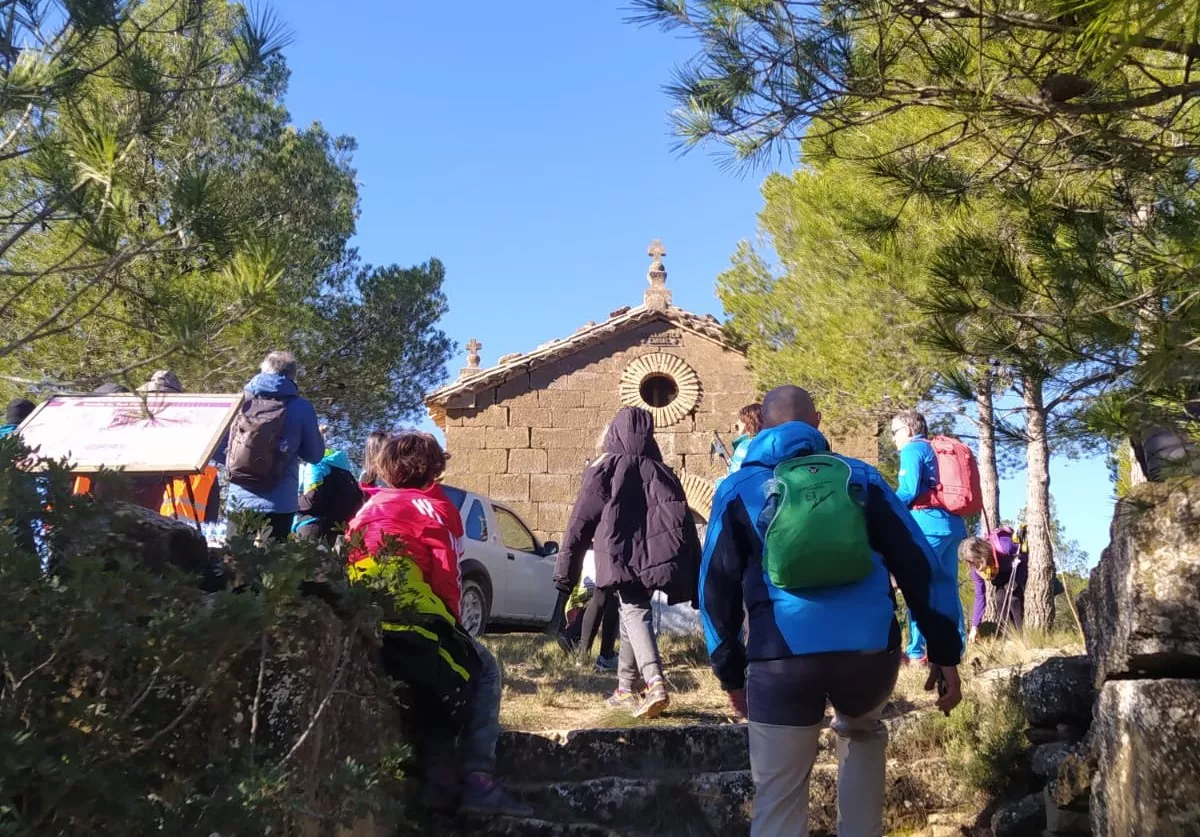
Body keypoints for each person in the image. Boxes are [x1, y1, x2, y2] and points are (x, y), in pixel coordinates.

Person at [700, 386, 963, 837]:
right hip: (868, 653)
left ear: (760, 427)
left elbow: (714, 589)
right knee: (861, 733)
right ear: (817, 422)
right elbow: (920, 566)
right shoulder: (862, 477)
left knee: (778, 796)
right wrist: (943, 652)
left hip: (780, 657)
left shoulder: (736, 489)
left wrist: (730, 673)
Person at [344, 432, 531, 817]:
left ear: (385, 469)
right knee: (482, 670)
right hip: (416, 617)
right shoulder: (436, 509)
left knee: (431, 681)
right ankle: (478, 779)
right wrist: (456, 631)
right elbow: (447, 578)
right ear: (434, 471)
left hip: (365, 618)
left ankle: (438, 782)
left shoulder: (365, 509)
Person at [554, 406, 702, 719]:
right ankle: (625, 688)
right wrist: (693, 568)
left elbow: (581, 520)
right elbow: (684, 522)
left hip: (620, 553)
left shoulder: (605, 466)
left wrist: (566, 571)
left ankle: (654, 682)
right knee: (632, 612)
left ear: (615, 432)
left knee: (633, 611)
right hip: (658, 557)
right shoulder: (663, 471)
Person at [891, 409, 968, 663]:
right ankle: (955, 649)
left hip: (926, 526)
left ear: (908, 430)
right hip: (952, 525)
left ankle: (916, 651)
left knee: (919, 586)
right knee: (947, 588)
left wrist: (883, 505)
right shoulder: (934, 449)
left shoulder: (912, 449)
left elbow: (908, 490)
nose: (893, 438)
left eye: (895, 432)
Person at [224, 351, 323, 542]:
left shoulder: (239, 402)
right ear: (292, 375)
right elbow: (314, 455)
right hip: (280, 500)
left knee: (234, 557)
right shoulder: (302, 407)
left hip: (240, 496)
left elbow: (219, 449)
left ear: (263, 369)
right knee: (274, 559)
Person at [962, 526, 1027, 642]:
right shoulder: (976, 569)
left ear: (981, 551)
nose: (975, 564)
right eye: (971, 562)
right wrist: (975, 626)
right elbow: (980, 596)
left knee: (1013, 599)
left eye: (976, 559)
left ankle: (1022, 637)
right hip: (1001, 578)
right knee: (999, 599)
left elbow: (1024, 556)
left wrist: (1018, 581)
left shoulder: (1004, 545)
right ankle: (1010, 638)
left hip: (1019, 569)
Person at [558, 550, 620, 672]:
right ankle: (606, 656)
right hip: (613, 552)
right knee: (613, 597)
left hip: (595, 552)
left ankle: (581, 652)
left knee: (599, 595)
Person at [294, 446, 365, 545]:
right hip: (337, 529)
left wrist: (292, 504)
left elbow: (312, 498)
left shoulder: (316, 464)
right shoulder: (344, 468)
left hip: (312, 527)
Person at [728, 403, 762, 474]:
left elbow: (735, 475)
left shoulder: (744, 446)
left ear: (747, 425)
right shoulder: (773, 441)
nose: (736, 429)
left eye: (737, 427)